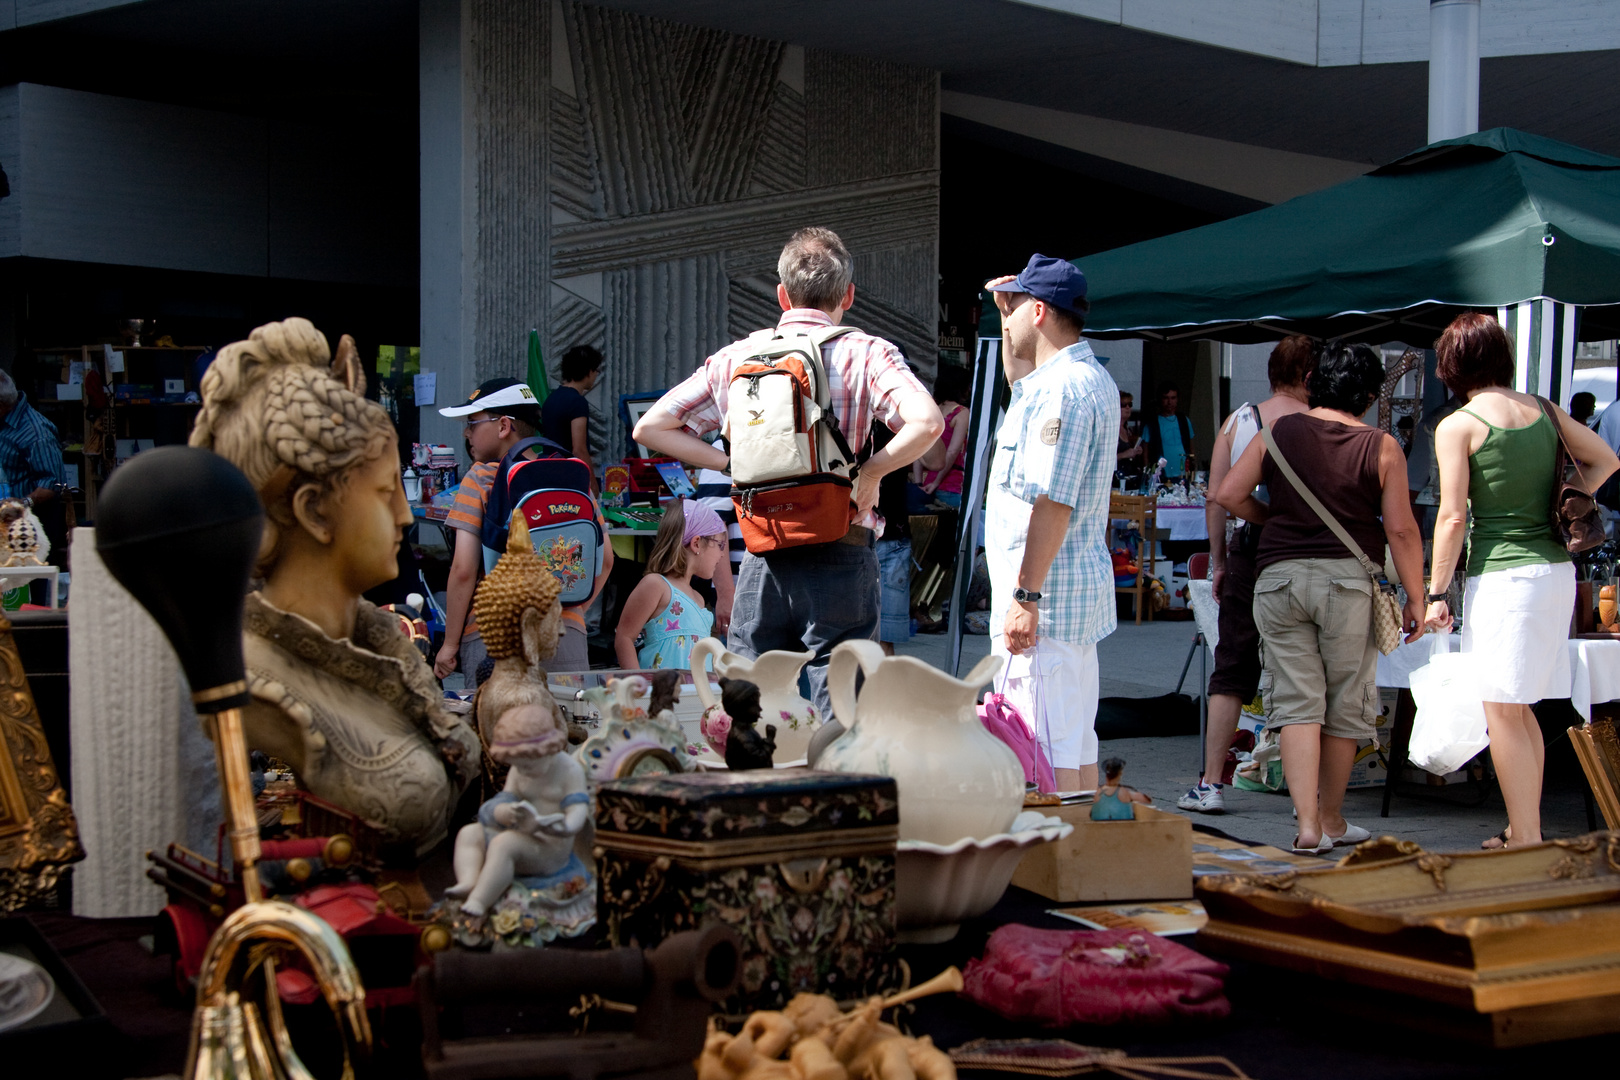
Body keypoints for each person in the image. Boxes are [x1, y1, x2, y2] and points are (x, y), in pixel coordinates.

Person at [189, 318, 480, 855]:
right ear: (315, 510)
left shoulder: (382, 640)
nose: (403, 515)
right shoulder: (251, 678)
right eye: (383, 491)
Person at [633, 226, 943, 717]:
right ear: (848, 295)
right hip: (841, 545)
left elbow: (650, 428)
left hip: (764, 547)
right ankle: (835, 787)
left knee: (751, 695)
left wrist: (728, 462)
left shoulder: (737, 357)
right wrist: (872, 473)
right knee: (842, 698)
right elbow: (928, 424)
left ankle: (752, 786)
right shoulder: (868, 352)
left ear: (781, 294)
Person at [1216, 342, 1426, 854]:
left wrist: (1275, 521)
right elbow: (1400, 532)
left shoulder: (1280, 431)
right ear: (1372, 394)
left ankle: (1307, 826)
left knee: (1295, 703)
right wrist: (1418, 597)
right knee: (1343, 706)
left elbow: (1227, 493)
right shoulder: (1381, 446)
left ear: (1314, 381)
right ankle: (1332, 819)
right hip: (1347, 583)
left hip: (1279, 580)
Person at [1423, 314, 1619, 849]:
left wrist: (1437, 593)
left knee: (1502, 710)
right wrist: (1568, 495)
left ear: (1452, 364)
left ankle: (1527, 841)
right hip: (1555, 570)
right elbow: (1606, 458)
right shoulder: (1545, 410)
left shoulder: (1458, 424)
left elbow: (1452, 517)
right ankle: (1522, 830)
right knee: (1519, 708)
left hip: (1505, 576)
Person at [984, 254, 1118, 793]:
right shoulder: (1071, 377)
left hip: (1046, 607)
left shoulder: (1064, 388)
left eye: (1014, 307)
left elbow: (1053, 502)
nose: (1007, 318)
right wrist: (1001, 308)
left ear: (1038, 311)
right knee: (1071, 747)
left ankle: (1058, 864)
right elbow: (1018, 378)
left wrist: (1025, 596)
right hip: (1062, 603)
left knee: (1041, 754)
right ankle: (1080, 863)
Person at [1179, 335, 1313, 814]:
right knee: (1304, 669)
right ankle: (1309, 797)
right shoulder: (1320, 422)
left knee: (1232, 664)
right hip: (1307, 550)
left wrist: (1218, 561)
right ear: (1309, 376)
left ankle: (1211, 783)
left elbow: (1217, 497)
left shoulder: (1241, 420)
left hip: (1250, 552)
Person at [437, 377, 613, 678]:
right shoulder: (569, 476)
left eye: (473, 422)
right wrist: (572, 611)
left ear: (504, 425)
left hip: (495, 634)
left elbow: (463, 570)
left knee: (501, 724)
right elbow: (606, 560)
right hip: (564, 632)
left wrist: (450, 645)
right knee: (563, 723)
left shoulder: (480, 477)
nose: (467, 432)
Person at [614, 500, 727, 670]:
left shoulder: (699, 600)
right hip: (661, 693)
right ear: (696, 543)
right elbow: (624, 637)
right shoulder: (656, 586)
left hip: (694, 694)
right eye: (720, 545)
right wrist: (638, 686)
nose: (722, 555)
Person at [0, 370, 68, 598]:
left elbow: (52, 484)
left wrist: (23, 503)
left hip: (29, 527)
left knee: (29, 596)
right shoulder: (3, 421)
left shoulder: (36, 432)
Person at [541, 344, 603, 494]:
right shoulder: (577, 402)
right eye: (596, 370)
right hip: (569, 479)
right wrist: (593, 484)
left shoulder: (551, 399)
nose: (596, 375)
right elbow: (579, 449)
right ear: (589, 371)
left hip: (548, 474)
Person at [913, 366, 972, 509]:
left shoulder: (931, 410)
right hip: (950, 484)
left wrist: (918, 483)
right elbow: (952, 452)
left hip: (924, 485)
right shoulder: (961, 413)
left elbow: (918, 449)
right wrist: (937, 482)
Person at [1141, 380, 1194, 479]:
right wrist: (1148, 474)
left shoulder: (1184, 420)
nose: (1170, 402)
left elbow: (1191, 447)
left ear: (1177, 399)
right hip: (1161, 476)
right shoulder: (1152, 424)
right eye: (1166, 398)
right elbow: (1145, 453)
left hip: (1183, 475)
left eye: (1173, 398)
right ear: (1160, 399)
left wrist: (1192, 469)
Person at [1115, 390, 1144, 483]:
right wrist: (1124, 455)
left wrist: (1136, 451)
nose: (1127, 407)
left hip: (1129, 477)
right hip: (1116, 478)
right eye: (1123, 405)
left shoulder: (1128, 430)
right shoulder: (1112, 430)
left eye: (1130, 404)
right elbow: (1104, 459)